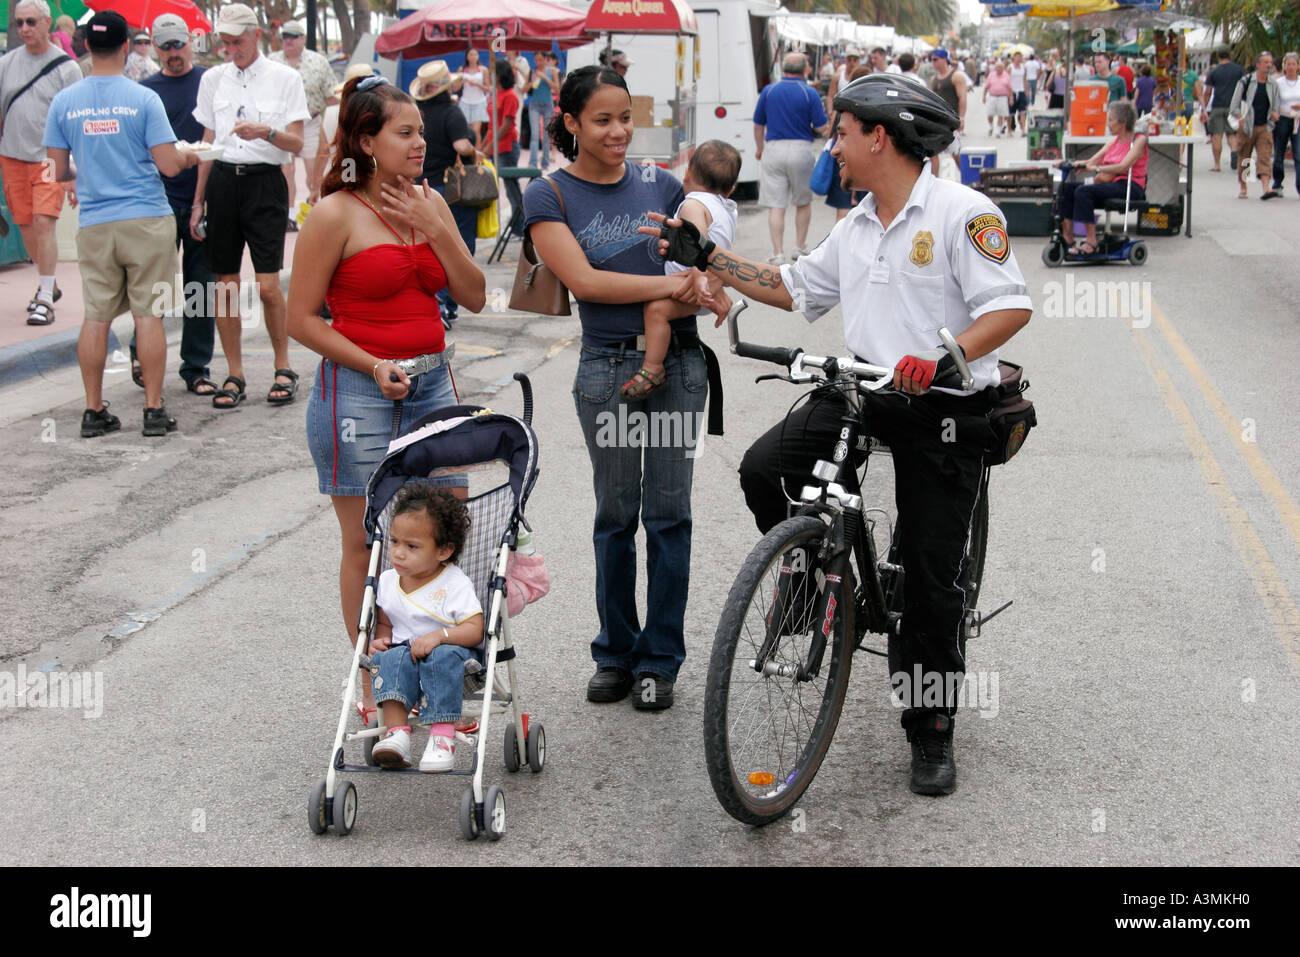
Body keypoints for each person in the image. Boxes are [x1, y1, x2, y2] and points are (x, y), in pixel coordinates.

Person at [645, 73, 1032, 796]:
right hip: (864, 391)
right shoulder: (855, 226)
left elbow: (1009, 308)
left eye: (842, 132)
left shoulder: (960, 211)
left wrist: (943, 358)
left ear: (877, 137)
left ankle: (931, 726)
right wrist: (703, 256)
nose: (834, 146)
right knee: (766, 468)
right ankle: (825, 580)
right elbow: (790, 285)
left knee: (928, 573)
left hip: (940, 403)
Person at [286, 72, 484, 718]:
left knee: (446, 529)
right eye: (405, 133)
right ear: (367, 141)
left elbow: (475, 295)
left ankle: (439, 655)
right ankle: (374, 676)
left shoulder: (428, 203)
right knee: (368, 542)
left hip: (433, 385)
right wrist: (372, 365)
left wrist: (443, 229)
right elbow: (301, 319)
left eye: (422, 132)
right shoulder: (337, 213)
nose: (420, 142)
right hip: (358, 392)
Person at [524, 65, 710, 711]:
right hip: (605, 367)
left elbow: (699, 265)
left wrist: (695, 276)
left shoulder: (661, 182)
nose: (619, 132)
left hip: (679, 365)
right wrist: (668, 288)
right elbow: (585, 283)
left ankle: (660, 657)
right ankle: (615, 650)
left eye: (626, 117)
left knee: (668, 515)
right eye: (603, 119)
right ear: (571, 123)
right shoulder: (549, 195)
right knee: (614, 514)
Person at [43, 9, 201, 438]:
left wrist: (95, 170)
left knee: (96, 317)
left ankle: (93, 411)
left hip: (95, 221)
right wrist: (192, 153)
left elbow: (57, 172)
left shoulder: (65, 102)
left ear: (87, 48)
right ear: (127, 46)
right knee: (148, 316)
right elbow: (169, 166)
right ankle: (152, 409)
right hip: (146, 217)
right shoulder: (142, 98)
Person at [191, 3, 309, 408]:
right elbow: (207, 143)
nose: (229, 49)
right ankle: (235, 372)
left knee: (268, 285)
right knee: (224, 286)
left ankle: (283, 365)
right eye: (224, 42)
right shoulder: (212, 79)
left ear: (256, 35)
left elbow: (297, 143)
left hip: (265, 184)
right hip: (223, 181)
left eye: (236, 41)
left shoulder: (285, 78)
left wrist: (267, 131)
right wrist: (197, 203)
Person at [130, 13, 219, 397]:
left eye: (178, 45)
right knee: (152, 287)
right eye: (164, 47)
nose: (172, 54)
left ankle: (195, 367)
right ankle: (140, 357)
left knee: (200, 287)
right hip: (157, 201)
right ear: (154, 47)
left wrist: (203, 201)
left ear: (190, 43)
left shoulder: (208, 83)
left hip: (202, 199)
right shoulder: (144, 91)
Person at [368, 485, 484, 772]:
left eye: (412, 546)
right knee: (387, 657)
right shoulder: (387, 581)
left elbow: (475, 629)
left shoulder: (454, 584)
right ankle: (397, 734)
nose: (398, 553)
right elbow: (385, 621)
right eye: (394, 542)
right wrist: (381, 641)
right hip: (405, 653)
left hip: (451, 653)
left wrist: (439, 636)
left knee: (440, 658)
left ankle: (442, 737)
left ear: (443, 551)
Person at [620, 140, 739, 399]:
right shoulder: (727, 209)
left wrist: (698, 271)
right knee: (659, 311)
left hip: (691, 286)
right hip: (704, 288)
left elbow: (698, 237)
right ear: (730, 189)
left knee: (655, 311)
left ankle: (652, 369)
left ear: (687, 173)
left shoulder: (693, 203)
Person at [0, 0, 83, 326]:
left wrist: (74, 170)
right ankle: (49, 281)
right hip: (12, 156)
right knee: (26, 226)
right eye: (20, 23)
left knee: (44, 220)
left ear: (47, 23)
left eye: (31, 22)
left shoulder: (67, 67)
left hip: (50, 158)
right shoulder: (7, 63)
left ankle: (45, 297)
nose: (24, 29)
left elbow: (75, 123)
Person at [411, 59, 481, 329]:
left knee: (430, 247)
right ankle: (447, 305)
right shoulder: (453, 113)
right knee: (458, 245)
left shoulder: (418, 115)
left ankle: (437, 303)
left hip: (421, 186)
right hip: (451, 187)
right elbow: (462, 145)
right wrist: (475, 150)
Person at [753, 51, 830, 264]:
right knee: (803, 202)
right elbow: (821, 126)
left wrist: (759, 148)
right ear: (805, 69)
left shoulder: (769, 91)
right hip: (801, 148)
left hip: (774, 148)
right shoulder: (809, 93)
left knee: (776, 205)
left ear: (784, 67)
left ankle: (777, 252)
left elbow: (758, 125)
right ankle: (799, 246)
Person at [268, 19, 335, 232]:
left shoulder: (318, 62)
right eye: (284, 36)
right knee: (285, 170)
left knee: (313, 172)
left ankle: (315, 210)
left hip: (311, 121)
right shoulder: (272, 61)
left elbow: (331, 97)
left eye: (293, 36)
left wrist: (335, 125)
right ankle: (289, 215)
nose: (288, 40)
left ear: (303, 38)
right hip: (282, 123)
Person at [1057, 100, 1148, 254]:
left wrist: (1097, 168)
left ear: (1123, 121)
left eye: (1111, 120)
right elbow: (1091, 161)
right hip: (1110, 184)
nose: (1108, 124)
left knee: (1083, 191)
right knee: (1067, 189)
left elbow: (1123, 166)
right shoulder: (1113, 142)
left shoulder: (1138, 140)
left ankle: (1091, 242)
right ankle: (1068, 236)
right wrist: (1074, 164)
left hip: (1129, 186)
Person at [1230, 52, 1280, 199]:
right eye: (1265, 62)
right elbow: (1234, 105)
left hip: (1265, 126)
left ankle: (1266, 188)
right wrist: (1240, 117)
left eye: (1270, 62)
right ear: (1258, 64)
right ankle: (1243, 187)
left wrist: (1274, 114)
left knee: (1264, 157)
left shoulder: (1273, 84)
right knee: (1245, 158)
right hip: (1247, 126)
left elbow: (1276, 105)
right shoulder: (1245, 81)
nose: (1268, 65)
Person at [489, 58, 525, 240]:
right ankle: (517, 227)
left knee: (511, 189)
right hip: (495, 146)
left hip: (507, 147)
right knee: (508, 188)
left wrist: (489, 146)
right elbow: (492, 124)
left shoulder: (510, 96)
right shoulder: (495, 94)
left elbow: (506, 125)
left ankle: (520, 228)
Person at [1203, 46, 1245, 172]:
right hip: (1233, 106)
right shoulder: (1239, 70)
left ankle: (1217, 164)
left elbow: (1208, 92)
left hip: (1217, 105)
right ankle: (1234, 152)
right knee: (1232, 133)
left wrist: (1204, 108)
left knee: (1217, 135)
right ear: (1229, 55)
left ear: (1218, 56)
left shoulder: (1214, 72)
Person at [929, 48, 966, 179]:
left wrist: (961, 116)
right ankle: (933, 183)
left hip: (951, 121)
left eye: (935, 60)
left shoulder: (956, 76)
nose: (932, 62)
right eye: (931, 60)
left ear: (944, 60)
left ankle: (968, 178)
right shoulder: (934, 79)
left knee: (956, 153)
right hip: (937, 122)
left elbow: (962, 97)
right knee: (932, 154)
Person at [1271, 51, 1300, 197]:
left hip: (1297, 120)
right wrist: (1274, 113)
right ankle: (1277, 183)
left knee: (1298, 153)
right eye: (1288, 64)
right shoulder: (1278, 83)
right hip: (1282, 119)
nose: (1291, 67)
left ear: (1298, 66)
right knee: (1279, 152)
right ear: (1284, 66)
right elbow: (1273, 101)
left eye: (1293, 64)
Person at [528, 49, 560, 170]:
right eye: (536, 60)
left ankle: (545, 163)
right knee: (535, 134)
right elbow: (526, 89)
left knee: (547, 134)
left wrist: (544, 78)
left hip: (547, 104)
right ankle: (532, 163)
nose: (538, 62)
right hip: (534, 104)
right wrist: (531, 81)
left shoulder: (551, 71)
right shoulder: (532, 71)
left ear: (546, 60)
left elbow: (557, 89)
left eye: (540, 60)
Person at [455, 47, 489, 149]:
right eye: (471, 55)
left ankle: (477, 153)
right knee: (465, 130)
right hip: (465, 102)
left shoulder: (483, 70)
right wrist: (462, 82)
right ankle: (468, 153)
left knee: (476, 131)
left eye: (475, 54)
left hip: (479, 102)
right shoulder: (462, 70)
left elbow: (489, 88)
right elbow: (455, 88)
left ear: (478, 56)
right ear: (467, 57)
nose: (473, 57)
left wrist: (477, 84)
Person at [826, 46, 862, 118]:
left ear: (858, 62)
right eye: (849, 60)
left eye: (855, 60)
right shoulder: (838, 76)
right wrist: (830, 112)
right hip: (839, 113)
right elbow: (830, 96)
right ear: (846, 60)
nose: (852, 63)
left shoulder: (861, 78)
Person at [983, 59, 1012, 137]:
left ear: (1003, 68)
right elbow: (986, 87)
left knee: (1000, 114)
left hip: (1003, 97)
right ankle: (991, 127)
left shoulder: (1006, 75)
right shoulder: (991, 75)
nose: (998, 69)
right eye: (997, 68)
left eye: (1000, 68)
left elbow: (1010, 88)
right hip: (993, 96)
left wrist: (1011, 97)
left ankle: (998, 131)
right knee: (990, 114)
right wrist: (984, 96)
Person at [1008, 52, 1027, 134]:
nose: (1019, 59)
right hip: (1013, 91)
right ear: (1014, 58)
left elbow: (1024, 79)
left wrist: (1027, 91)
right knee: (1011, 112)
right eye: (1017, 57)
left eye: (1020, 57)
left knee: (1023, 111)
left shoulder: (1023, 67)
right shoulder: (1010, 67)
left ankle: (1023, 129)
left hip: (1021, 90)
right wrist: (1010, 94)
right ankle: (1010, 129)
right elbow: (1007, 81)